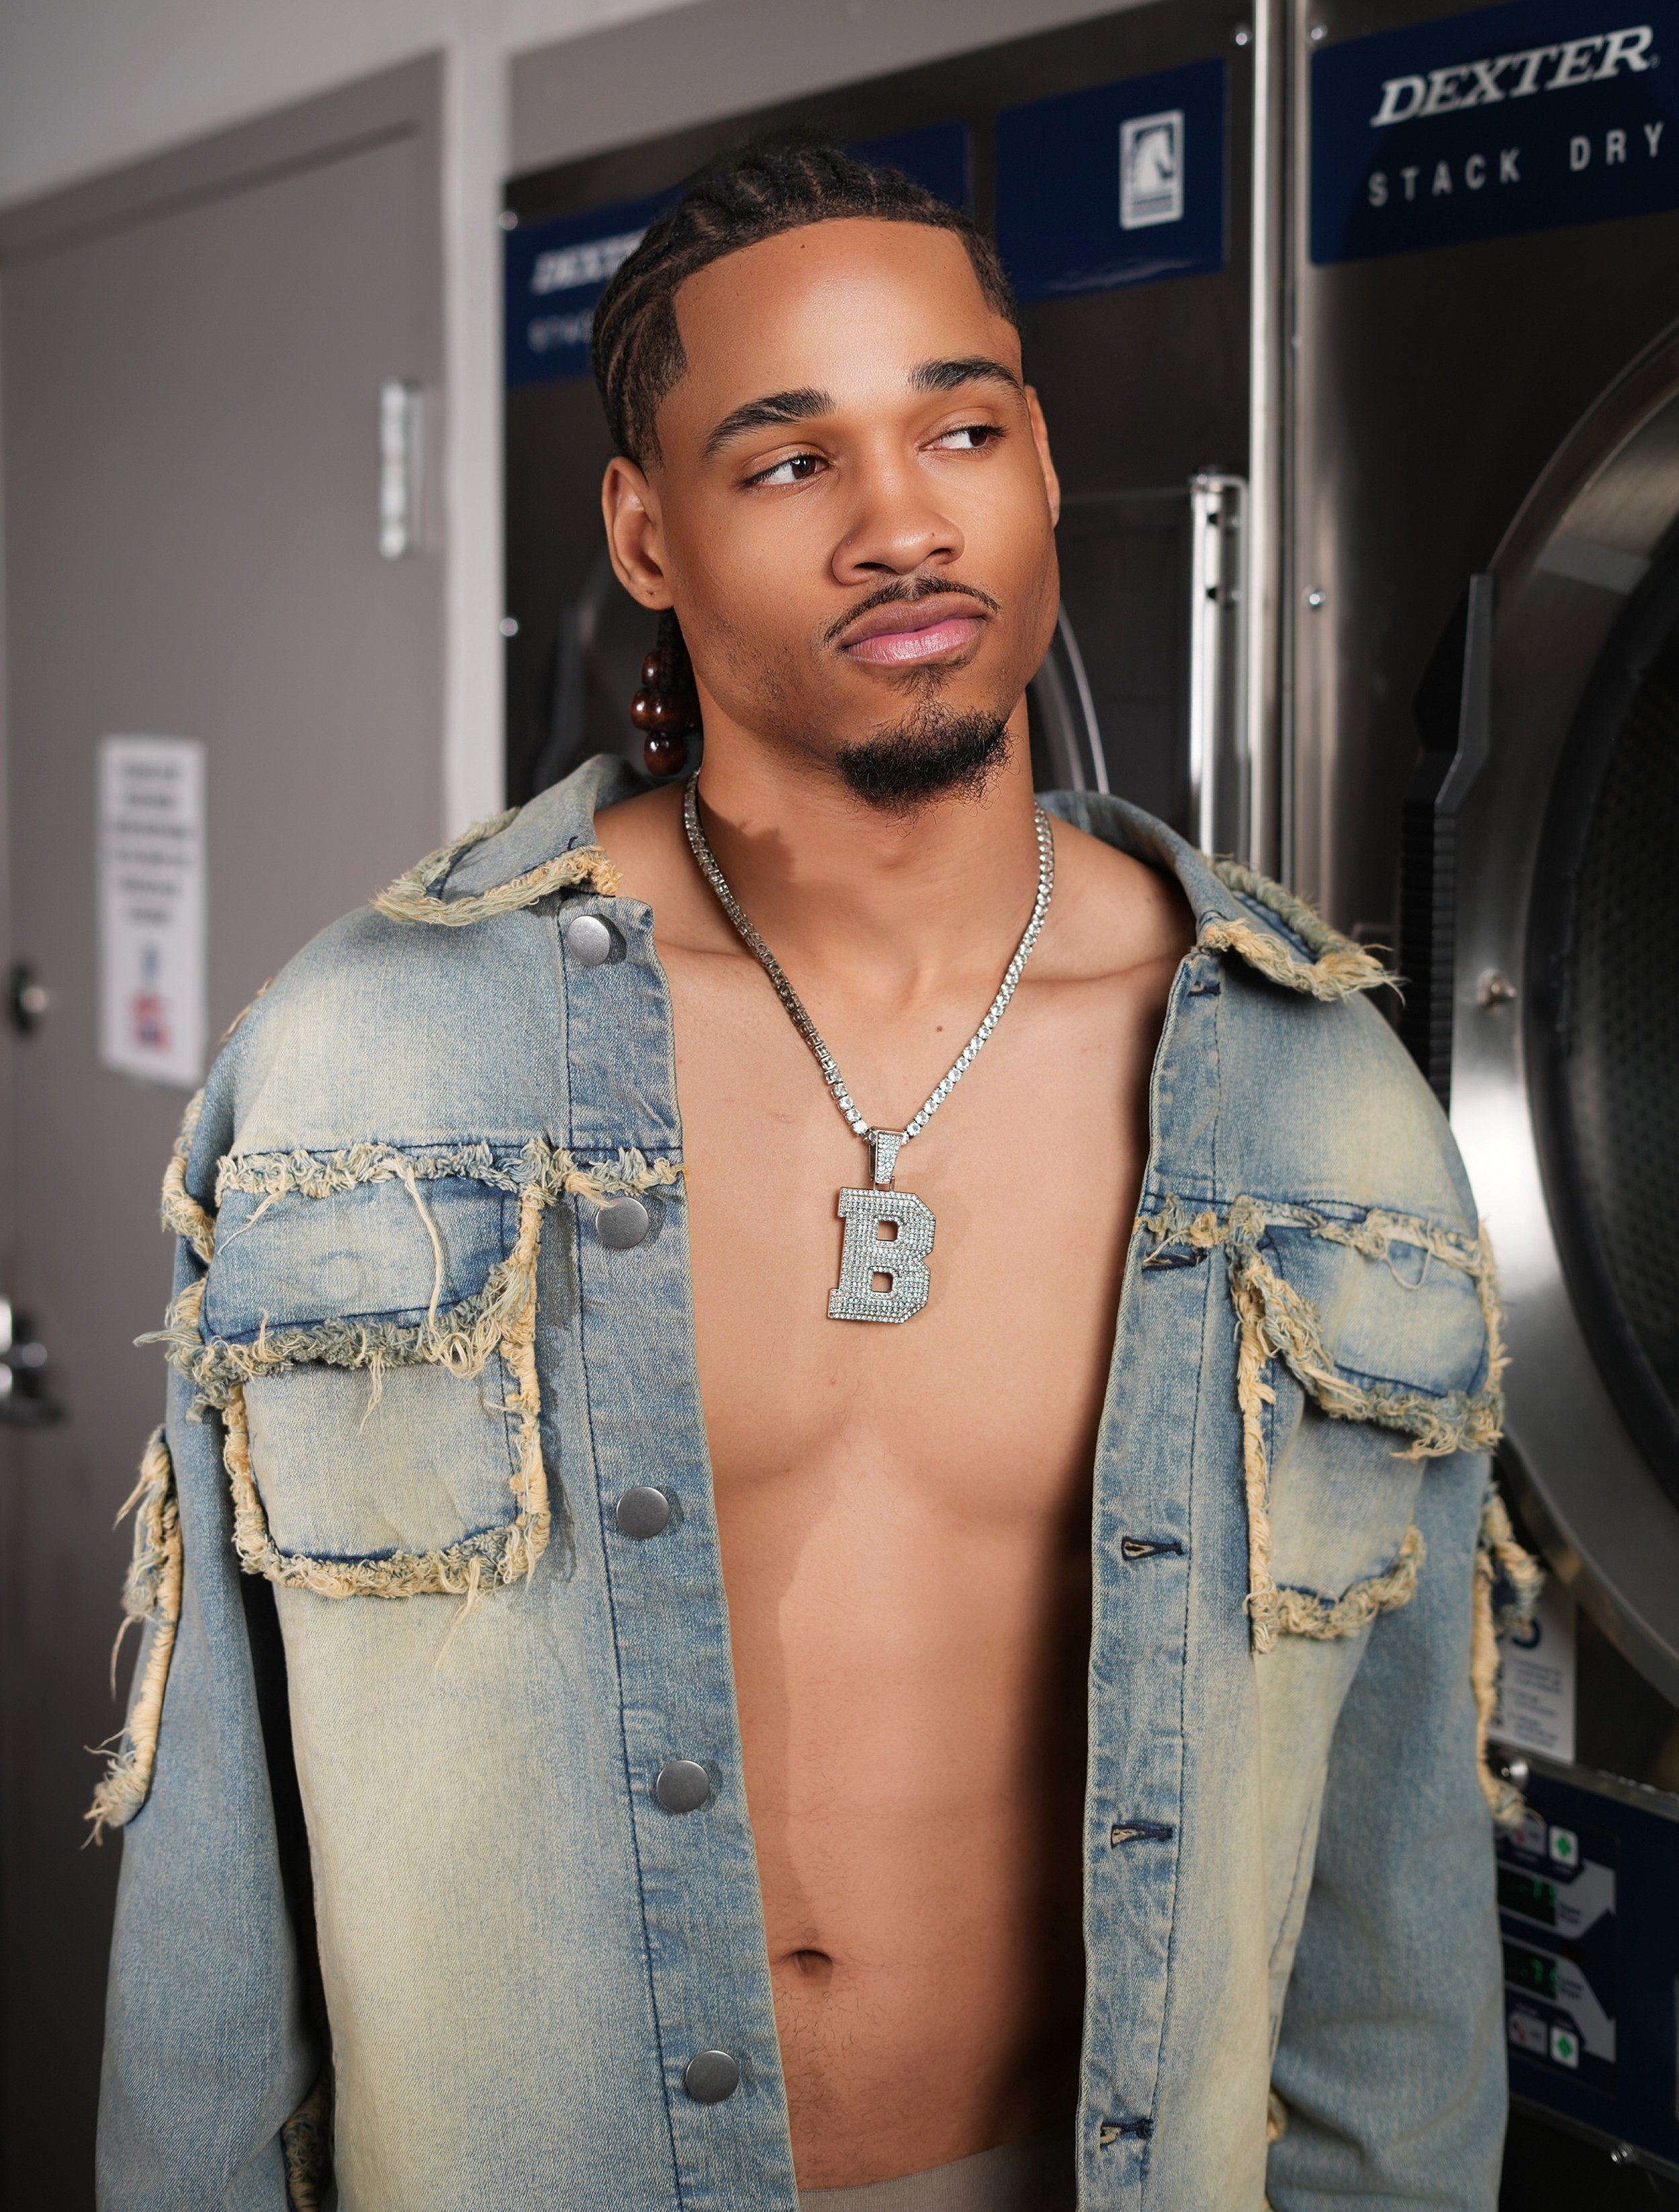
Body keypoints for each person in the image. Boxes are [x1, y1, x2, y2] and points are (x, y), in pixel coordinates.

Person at [96, 138, 1533, 2211]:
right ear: (644, 531)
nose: (900, 523)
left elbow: (1395, 1906)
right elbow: (215, 1863)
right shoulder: (376, 1064)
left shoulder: (1318, 1093)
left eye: (960, 429)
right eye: (787, 461)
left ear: (1042, 463)